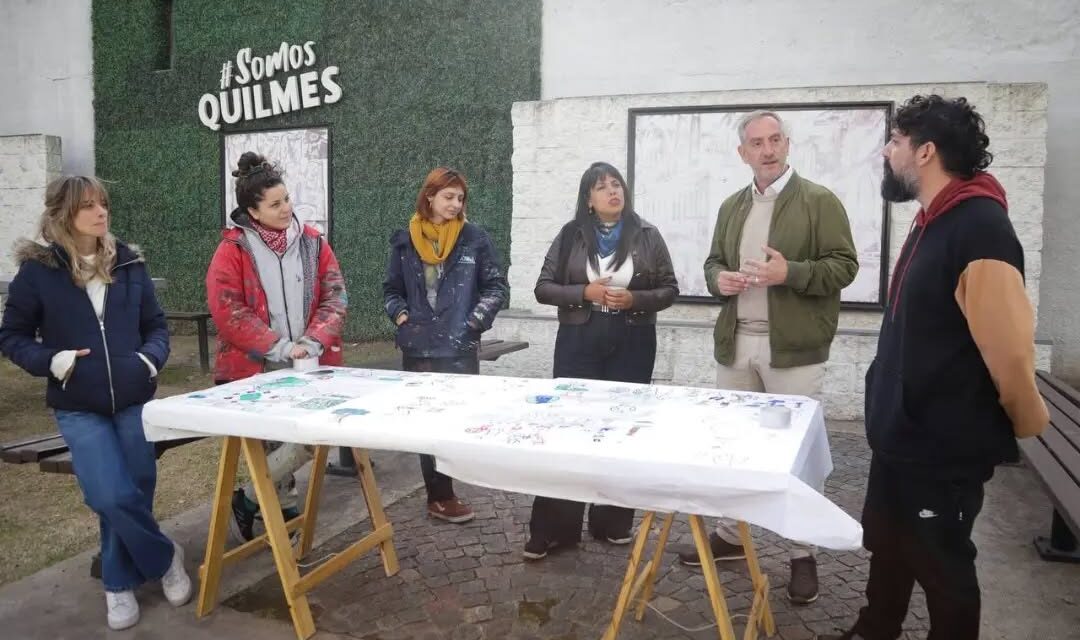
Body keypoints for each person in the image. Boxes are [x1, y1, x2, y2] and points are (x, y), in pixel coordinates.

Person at [819, 95, 1048, 640]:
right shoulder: (933, 219)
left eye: (895, 142)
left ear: (925, 152)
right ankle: (876, 630)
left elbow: (1010, 350)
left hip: (944, 443)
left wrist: (1022, 420)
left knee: (943, 567)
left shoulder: (980, 228)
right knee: (889, 544)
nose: (887, 151)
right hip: (904, 432)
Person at [677, 110, 859, 605]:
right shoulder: (732, 205)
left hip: (793, 350)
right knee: (733, 447)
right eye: (757, 142)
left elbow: (844, 267)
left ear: (787, 144)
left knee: (797, 455)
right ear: (743, 153)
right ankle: (732, 537)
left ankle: (802, 553)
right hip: (737, 344)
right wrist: (720, 281)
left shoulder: (820, 201)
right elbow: (714, 261)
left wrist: (790, 273)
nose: (767, 149)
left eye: (775, 139)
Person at [0, 176, 191, 630]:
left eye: (102, 204)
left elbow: (157, 326)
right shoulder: (38, 273)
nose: (101, 212)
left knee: (137, 485)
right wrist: (54, 361)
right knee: (108, 493)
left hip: (132, 398)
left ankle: (119, 581)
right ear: (64, 214)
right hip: (78, 403)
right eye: (88, 206)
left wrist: (148, 361)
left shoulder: (129, 265)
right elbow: (11, 336)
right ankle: (163, 560)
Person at [523, 161, 679, 561]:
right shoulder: (571, 234)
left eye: (617, 185)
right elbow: (543, 288)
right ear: (588, 200)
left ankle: (612, 521)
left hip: (633, 340)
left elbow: (668, 289)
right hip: (579, 338)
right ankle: (555, 529)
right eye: (602, 187)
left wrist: (635, 299)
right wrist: (584, 293)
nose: (613, 191)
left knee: (621, 430)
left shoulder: (647, 234)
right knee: (567, 431)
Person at [206, 152, 348, 544]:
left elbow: (335, 296)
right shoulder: (232, 250)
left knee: (312, 438)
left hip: (310, 363)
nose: (286, 209)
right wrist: (281, 347)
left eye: (286, 199)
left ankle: (248, 499)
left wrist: (313, 340)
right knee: (272, 444)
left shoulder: (314, 243)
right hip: (256, 368)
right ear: (252, 210)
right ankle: (280, 513)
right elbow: (228, 311)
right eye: (275, 204)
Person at [382, 166, 509, 524]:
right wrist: (402, 316)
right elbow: (392, 289)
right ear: (430, 197)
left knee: (456, 420)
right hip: (419, 347)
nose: (456, 204)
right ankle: (440, 496)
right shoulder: (404, 240)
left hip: (458, 346)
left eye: (460, 198)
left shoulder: (474, 238)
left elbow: (496, 287)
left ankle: (453, 484)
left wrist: (474, 322)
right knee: (427, 423)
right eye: (449, 196)